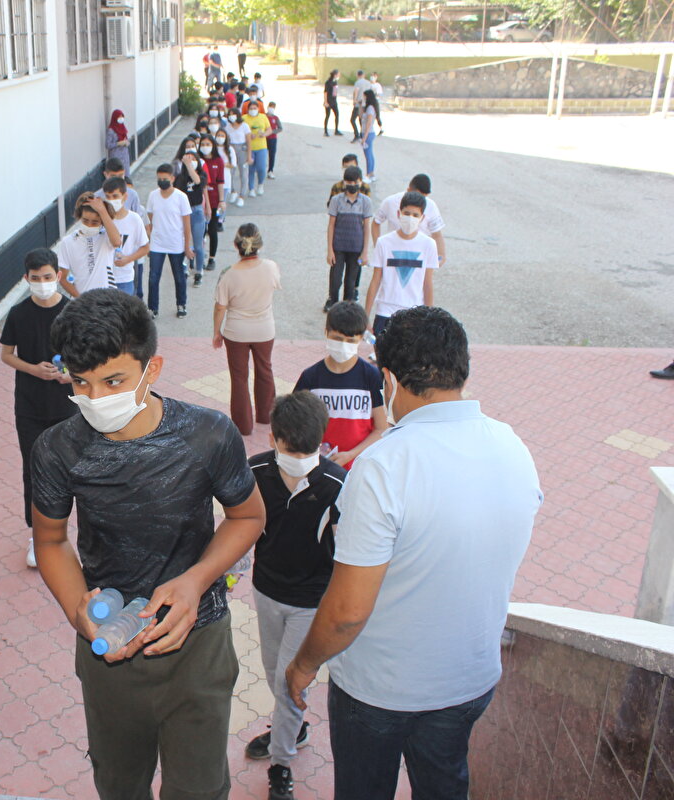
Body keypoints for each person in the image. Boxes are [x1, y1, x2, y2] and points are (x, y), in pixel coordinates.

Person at [286, 306, 543, 800]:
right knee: (444, 785)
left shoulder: (384, 466)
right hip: (469, 681)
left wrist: (303, 665)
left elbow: (346, 612)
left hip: (379, 691)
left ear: (388, 379)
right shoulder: (512, 446)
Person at [31, 289, 266, 800]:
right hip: (109, 650)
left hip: (197, 644)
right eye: (81, 382)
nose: (95, 398)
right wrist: (78, 608)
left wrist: (196, 581)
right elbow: (49, 540)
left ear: (151, 369)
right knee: (119, 785)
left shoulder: (208, 434)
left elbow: (248, 516)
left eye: (113, 381)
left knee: (198, 790)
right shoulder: (56, 449)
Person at [243, 391, 346, 800]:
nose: (299, 458)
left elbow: (348, 549)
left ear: (321, 441)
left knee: (288, 683)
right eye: (290, 450)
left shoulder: (338, 484)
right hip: (266, 590)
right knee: (273, 672)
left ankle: (281, 765)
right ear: (274, 439)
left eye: (308, 451)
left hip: (311, 602)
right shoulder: (254, 471)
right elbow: (241, 526)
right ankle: (295, 728)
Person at [0, 250, 77, 569]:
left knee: (72, 470)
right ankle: (37, 535)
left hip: (68, 405)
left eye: (47, 277)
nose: (42, 283)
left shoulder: (72, 313)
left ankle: (68, 532)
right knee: (33, 470)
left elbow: (87, 355)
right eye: (36, 278)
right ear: (26, 279)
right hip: (30, 406)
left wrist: (70, 374)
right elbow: (7, 355)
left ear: (58, 275)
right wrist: (33, 369)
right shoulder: (18, 314)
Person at [293, 302, 387, 470]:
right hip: (319, 468)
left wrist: (351, 455)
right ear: (326, 332)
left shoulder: (372, 377)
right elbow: (295, 425)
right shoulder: (310, 378)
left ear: (361, 338)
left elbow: (381, 429)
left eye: (350, 341)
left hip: (358, 468)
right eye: (337, 338)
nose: (343, 345)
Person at [212, 223, 281, 436]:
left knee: (239, 378)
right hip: (264, 330)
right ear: (260, 244)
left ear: (236, 245)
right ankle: (266, 416)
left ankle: (243, 426)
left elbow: (220, 306)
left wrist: (217, 332)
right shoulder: (271, 267)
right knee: (265, 370)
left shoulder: (228, 274)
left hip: (236, 332)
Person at [365, 192, 438, 337]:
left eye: (415, 215)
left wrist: (429, 318)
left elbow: (427, 284)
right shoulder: (383, 242)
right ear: (399, 213)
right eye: (407, 213)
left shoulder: (429, 245)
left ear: (422, 218)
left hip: (414, 313)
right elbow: (375, 280)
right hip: (385, 310)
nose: (410, 218)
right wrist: (365, 315)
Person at [146, 163, 193, 319]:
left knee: (179, 277)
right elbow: (150, 220)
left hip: (176, 244)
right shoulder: (153, 196)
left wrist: (187, 246)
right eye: (159, 179)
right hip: (157, 244)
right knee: (153, 278)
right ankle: (152, 308)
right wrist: (149, 242)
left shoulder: (181, 197)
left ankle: (181, 304)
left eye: (165, 179)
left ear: (172, 178)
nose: (162, 182)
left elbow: (187, 224)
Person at [325, 166, 373, 310]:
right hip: (338, 246)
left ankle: (347, 307)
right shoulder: (336, 200)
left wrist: (365, 252)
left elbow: (367, 227)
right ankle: (333, 302)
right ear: (344, 182)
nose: (352, 185)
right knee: (335, 279)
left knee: (351, 281)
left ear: (360, 182)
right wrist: (330, 250)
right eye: (349, 182)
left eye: (355, 182)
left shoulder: (366, 201)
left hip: (356, 247)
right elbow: (331, 225)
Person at [373, 174, 447, 266]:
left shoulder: (431, 206)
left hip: (418, 255)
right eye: (407, 214)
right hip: (393, 252)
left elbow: (437, 234)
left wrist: (441, 256)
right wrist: (378, 247)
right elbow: (376, 222)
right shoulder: (390, 202)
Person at [58, 193, 122, 297]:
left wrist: (102, 211)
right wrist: (81, 299)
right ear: (80, 217)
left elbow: (117, 242)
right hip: (82, 300)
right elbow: (62, 278)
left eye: (95, 222)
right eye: (85, 220)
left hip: (108, 298)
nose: (89, 225)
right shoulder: (67, 242)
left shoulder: (106, 236)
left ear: (102, 222)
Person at [102, 176, 151, 296]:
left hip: (124, 278)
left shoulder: (134, 219)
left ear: (125, 196)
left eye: (115, 196)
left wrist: (128, 259)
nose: (111, 200)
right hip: (103, 278)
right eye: (108, 197)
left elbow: (145, 247)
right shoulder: (102, 219)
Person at [173, 137, 210, 289]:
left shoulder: (201, 175)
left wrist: (190, 166)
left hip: (196, 211)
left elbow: (197, 181)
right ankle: (184, 267)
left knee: (198, 244)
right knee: (183, 242)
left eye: (194, 159)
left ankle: (199, 271)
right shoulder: (180, 178)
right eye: (188, 159)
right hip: (182, 213)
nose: (191, 161)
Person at [197, 134, 227, 283]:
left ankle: (212, 258)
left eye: (208, 144)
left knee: (212, 229)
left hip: (214, 199)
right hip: (200, 200)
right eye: (203, 144)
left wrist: (221, 200)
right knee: (200, 230)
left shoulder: (218, 161)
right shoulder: (198, 161)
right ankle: (200, 257)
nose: (205, 147)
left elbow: (220, 181)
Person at [244, 97, 272, 198]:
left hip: (261, 146)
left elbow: (269, 130)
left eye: (255, 108)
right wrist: (248, 136)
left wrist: (264, 134)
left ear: (258, 108)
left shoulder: (263, 117)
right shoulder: (244, 118)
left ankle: (260, 184)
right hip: (250, 147)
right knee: (251, 169)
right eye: (251, 108)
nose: (253, 110)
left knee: (261, 168)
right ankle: (251, 188)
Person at [225, 108, 250, 207]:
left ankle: (242, 196)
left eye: (233, 114)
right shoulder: (227, 126)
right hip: (231, 149)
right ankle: (233, 191)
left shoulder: (244, 126)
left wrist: (249, 156)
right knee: (230, 172)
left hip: (242, 149)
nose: (232, 116)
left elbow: (248, 142)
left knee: (243, 173)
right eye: (230, 114)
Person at [360, 89, 379, 182]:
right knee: (369, 153)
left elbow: (369, 123)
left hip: (368, 133)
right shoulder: (368, 107)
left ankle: (368, 174)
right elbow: (361, 116)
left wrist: (364, 137)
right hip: (367, 132)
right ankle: (371, 173)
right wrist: (361, 105)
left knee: (368, 154)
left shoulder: (370, 108)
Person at [349, 70, 371, 143]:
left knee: (352, 120)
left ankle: (357, 135)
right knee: (361, 119)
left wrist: (354, 100)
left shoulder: (358, 82)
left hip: (358, 103)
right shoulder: (368, 83)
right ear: (363, 75)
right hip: (365, 104)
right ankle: (363, 135)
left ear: (357, 75)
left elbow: (356, 91)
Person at [106, 110, 130, 175]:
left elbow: (126, 138)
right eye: (119, 117)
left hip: (124, 156)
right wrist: (118, 143)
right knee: (117, 174)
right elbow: (108, 145)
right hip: (116, 156)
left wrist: (126, 142)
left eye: (122, 117)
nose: (121, 119)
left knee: (125, 174)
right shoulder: (111, 130)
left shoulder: (122, 127)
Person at [264, 101, 283, 178]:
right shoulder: (264, 117)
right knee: (263, 154)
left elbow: (280, 128)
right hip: (264, 138)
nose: (271, 108)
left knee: (272, 155)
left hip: (272, 139)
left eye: (273, 107)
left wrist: (272, 131)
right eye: (270, 107)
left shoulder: (275, 118)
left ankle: (270, 170)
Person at [323, 69, 341, 136]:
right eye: (338, 74)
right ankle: (325, 131)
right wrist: (325, 102)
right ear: (335, 75)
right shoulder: (328, 82)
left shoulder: (335, 81)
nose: (339, 75)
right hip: (328, 101)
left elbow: (335, 91)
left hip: (334, 101)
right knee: (327, 116)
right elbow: (325, 92)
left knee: (337, 115)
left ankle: (336, 130)